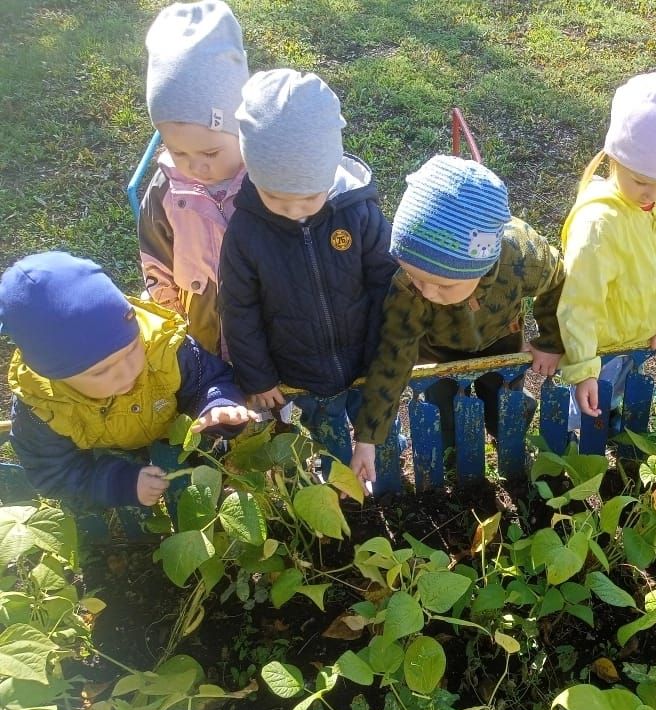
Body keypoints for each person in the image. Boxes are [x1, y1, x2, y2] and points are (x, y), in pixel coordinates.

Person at [349, 156, 565, 488]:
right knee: (442, 414)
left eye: (443, 284)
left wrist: (550, 341)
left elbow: (558, 281)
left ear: (481, 264)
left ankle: (512, 452)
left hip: (500, 341)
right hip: (437, 353)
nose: (428, 293)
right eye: (416, 277)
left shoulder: (521, 255)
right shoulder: (409, 290)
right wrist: (368, 437)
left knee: (503, 405)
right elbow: (393, 356)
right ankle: (452, 469)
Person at [219, 68, 397, 465]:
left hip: (366, 360)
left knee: (381, 434)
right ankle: (336, 490)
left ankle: (386, 481)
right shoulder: (246, 230)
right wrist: (259, 375)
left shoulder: (357, 213)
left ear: (329, 170)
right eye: (276, 198)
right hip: (300, 367)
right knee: (325, 437)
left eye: (308, 198)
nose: (293, 211)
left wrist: (385, 353)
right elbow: (237, 308)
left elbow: (386, 282)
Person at [2, 251, 254, 508]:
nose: (127, 371)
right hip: (109, 451)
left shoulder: (164, 346)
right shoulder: (41, 408)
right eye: (101, 372)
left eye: (132, 349)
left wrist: (219, 404)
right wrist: (118, 484)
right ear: (54, 375)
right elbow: (52, 474)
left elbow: (209, 378)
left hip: (172, 428)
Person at [557, 72, 656, 428]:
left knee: (614, 396)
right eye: (641, 181)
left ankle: (610, 417)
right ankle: (573, 448)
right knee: (584, 414)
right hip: (601, 348)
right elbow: (579, 301)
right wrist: (583, 369)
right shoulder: (599, 225)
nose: (652, 194)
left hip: (639, 341)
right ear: (614, 158)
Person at [139, 0, 249, 355]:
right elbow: (156, 262)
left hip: (264, 331)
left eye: (211, 153)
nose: (195, 167)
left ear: (241, 128)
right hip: (201, 329)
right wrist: (172, 325)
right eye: (179, 152)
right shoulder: (164, 191)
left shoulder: (265, 181)